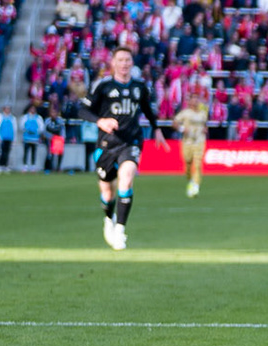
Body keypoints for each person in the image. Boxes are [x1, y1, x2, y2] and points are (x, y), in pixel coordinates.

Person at [77, 48, 163, 250]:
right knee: (107, 191)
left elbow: (148, 110)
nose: (124, 64)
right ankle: (109, 219)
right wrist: (101, 121)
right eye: (120, 60)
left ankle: (121, 230)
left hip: (131, 141)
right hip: (107, 143)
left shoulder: (140, 87)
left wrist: (157, 128)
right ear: (113, 63)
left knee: (127, 176)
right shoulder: (103, 86)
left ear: (132, 63)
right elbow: (82, 110)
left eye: (128, 60)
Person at [174, 91, 209, 197]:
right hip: (187, 142)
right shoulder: (185, 113)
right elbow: (175, 122)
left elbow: (204, 125)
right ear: (190, 101)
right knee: (188, 163)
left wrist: (205, 130)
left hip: (199, 141)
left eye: (197, 99)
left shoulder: (203, 113)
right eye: (193, 99)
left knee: (198, 165)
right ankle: (191, 181)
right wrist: (181, 129)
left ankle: (196, 186)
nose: (195, 101)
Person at [20, 104, 41, 169]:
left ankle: (33, 166)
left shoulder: (38, 117)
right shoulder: (25, 117)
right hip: (27, 137)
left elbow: (41, 127)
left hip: (34, 138)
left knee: (33, 152)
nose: (32, 110)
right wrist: (27, 130)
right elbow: (21, 126)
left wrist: (35, 131)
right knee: (26, 152)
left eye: (33, 109)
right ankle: (25, 166)